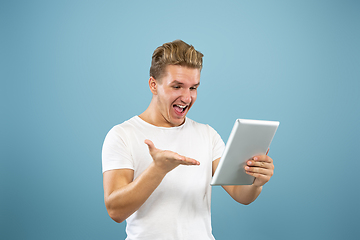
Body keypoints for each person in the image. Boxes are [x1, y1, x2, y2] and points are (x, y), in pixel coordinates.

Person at [102, 40, 274, 240]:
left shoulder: (207, 135)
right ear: (153, 85)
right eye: (177, 86)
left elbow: (240, 194)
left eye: (193, 88)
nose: (186, 97)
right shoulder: (123, 134)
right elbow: (115, 211)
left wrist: (256, 182)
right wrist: (157, 170)